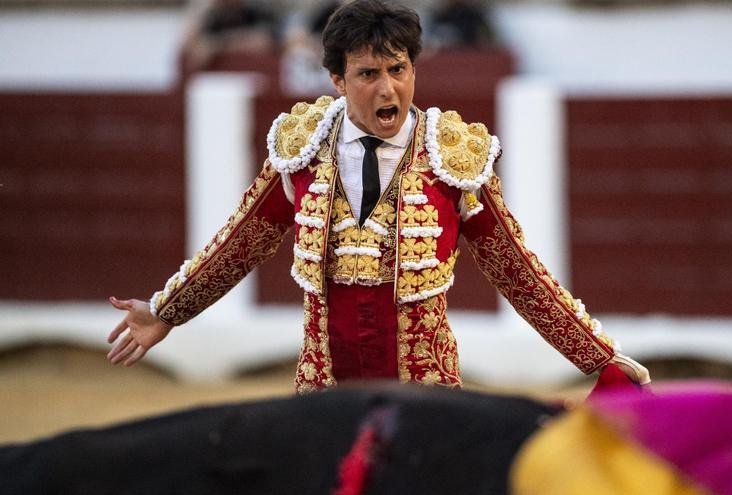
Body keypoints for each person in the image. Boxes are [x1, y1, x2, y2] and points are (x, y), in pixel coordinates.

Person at [107, 0, 649, 392]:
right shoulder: (303, 150)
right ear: (337, 81)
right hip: (324, 393)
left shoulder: (453, 158)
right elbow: (240, 242)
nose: (388, 88)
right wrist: (167, 311)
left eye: (398, 69)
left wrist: (599, 357)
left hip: (425, 396)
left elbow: (516, 269)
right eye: (368, 73)